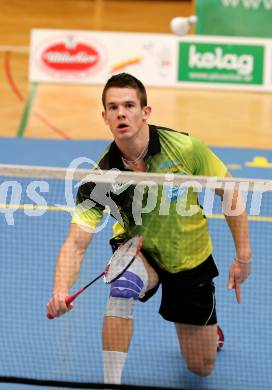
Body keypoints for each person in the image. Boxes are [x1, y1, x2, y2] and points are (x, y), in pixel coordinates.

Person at [47, 73, 252, 384]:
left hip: (189, 257)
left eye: (129, 105)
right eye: (113, 107)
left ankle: (207, 333)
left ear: (145, 112)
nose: (121, 113)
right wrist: (60, 290)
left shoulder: (183, 148)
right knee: (123, 284)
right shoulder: (100, 176)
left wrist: (243, 256)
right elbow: (76, 243)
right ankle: (111, 382)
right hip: (139, 251)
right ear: (105, 116)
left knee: (201, 366)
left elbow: (229, 191)